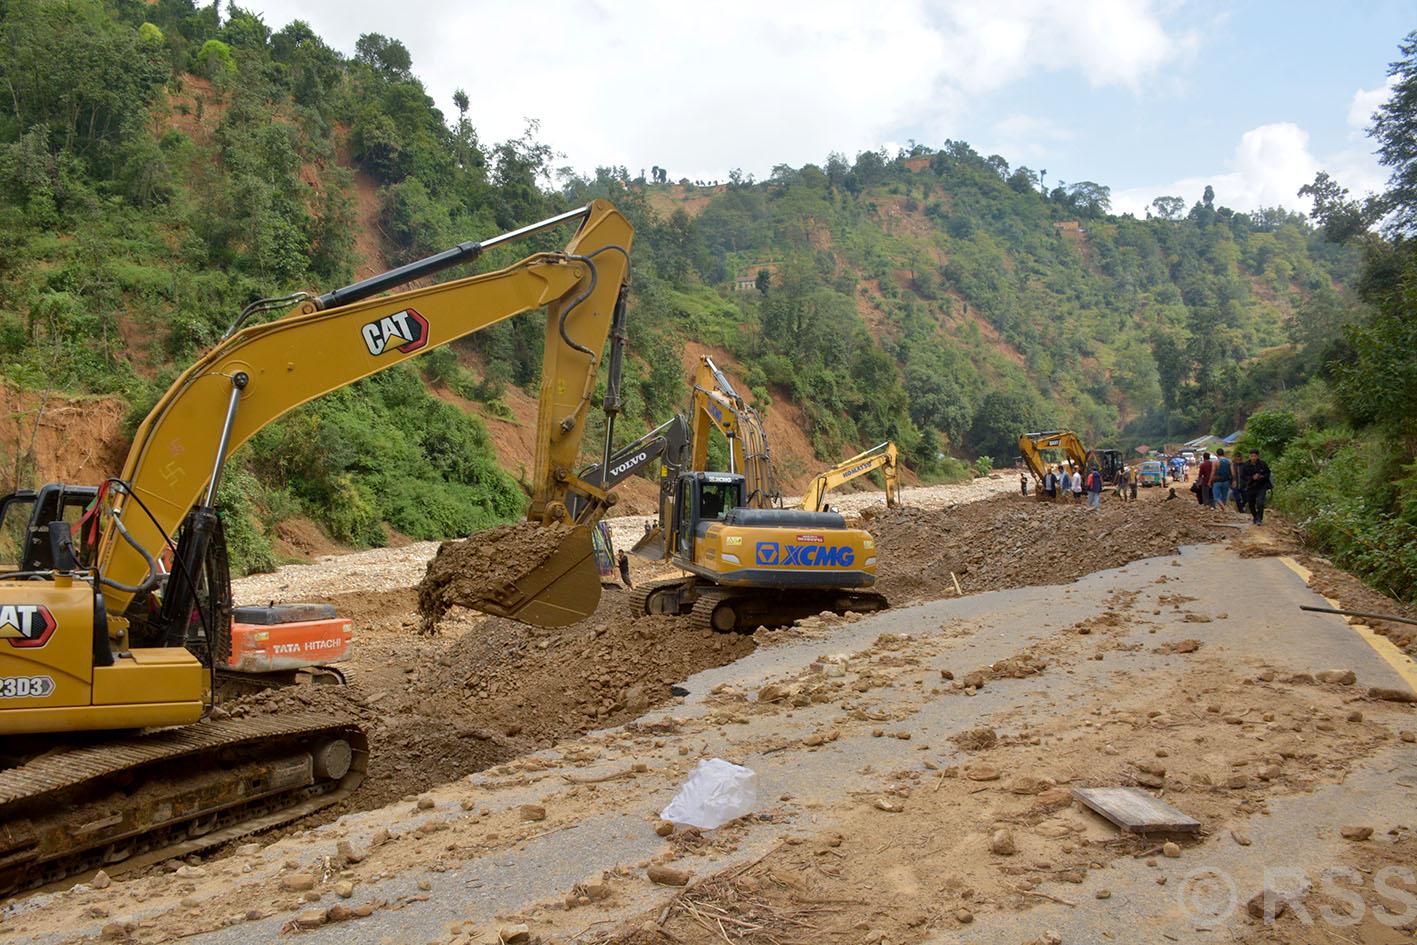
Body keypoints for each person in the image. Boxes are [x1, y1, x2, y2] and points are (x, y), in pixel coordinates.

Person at [1244, 449, 1272, 525]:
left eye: (1254, 456)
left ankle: (1259, 518)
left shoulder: (1262, 464)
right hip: (1251, 487)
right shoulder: (1246, 465)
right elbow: (1243, 476)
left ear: (1258, 456)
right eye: (1251, 456)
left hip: (1261, 486)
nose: (1253, 458)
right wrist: (1252, 478)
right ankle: (1255, 516)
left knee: (1260, 503)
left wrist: (1261, 476)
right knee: (1251, 503)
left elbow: (1268, 473)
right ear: (1249, 456)